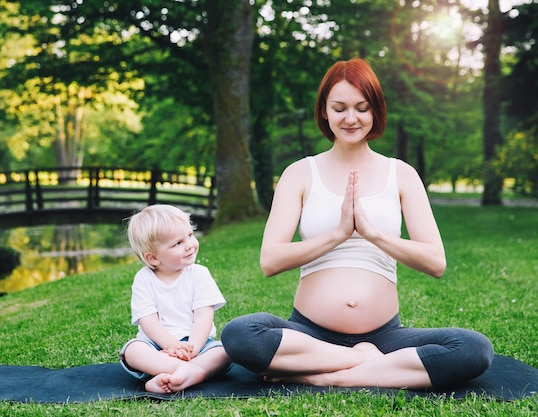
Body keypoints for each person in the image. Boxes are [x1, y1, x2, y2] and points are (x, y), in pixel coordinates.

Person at [220, 58, 494, 390]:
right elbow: (270, 261)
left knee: (474, 349)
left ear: (376, 110)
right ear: (324, 111)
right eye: (340, 108)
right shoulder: (300, 173)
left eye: (362, 108)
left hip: (385, 336)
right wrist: (337, 235)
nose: (351, 118)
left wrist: (372, 233)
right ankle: (371, 365)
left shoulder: (402, 174)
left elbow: (435, 262)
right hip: (309, 334)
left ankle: (322, 375)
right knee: (240, 335)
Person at [119, 204, 231, 394]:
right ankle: (189, 372)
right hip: (158, 347)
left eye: (190, 235)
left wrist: (192, 349)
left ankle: (169, 375)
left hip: (197, 345)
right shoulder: (144, 279)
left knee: (224, 352)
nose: (189, 245)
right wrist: (171, 346)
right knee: (133, 351)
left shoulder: (199, 274)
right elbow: (149, 321)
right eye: (177, 243)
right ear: (153, 258)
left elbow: (204, 317)